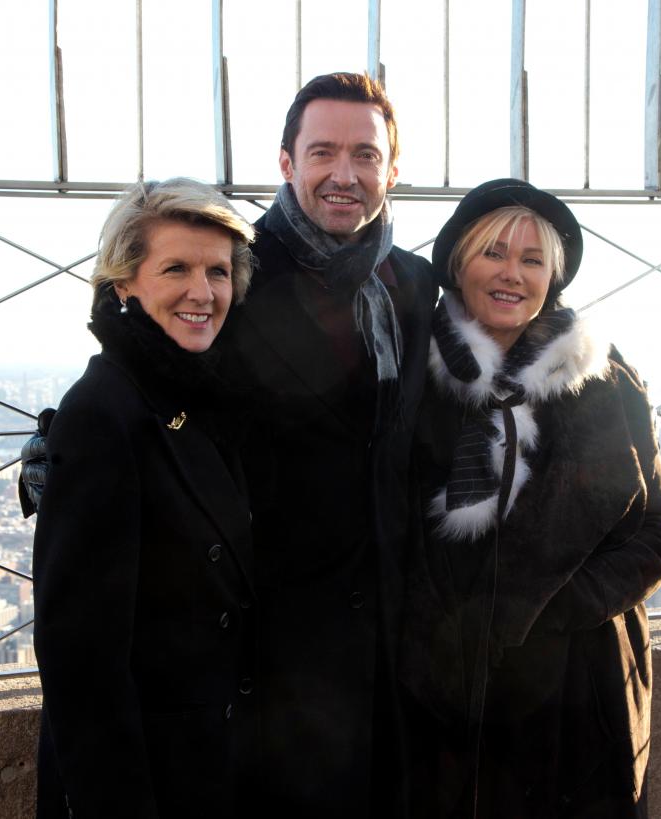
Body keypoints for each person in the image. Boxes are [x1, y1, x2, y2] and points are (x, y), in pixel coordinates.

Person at [399, 179, 661, 818]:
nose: (512, 274)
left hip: (581, 692)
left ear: (553, 277)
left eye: (533, 260)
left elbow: (658, 530)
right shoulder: (411, 377)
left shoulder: (602, 381)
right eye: (493, 253)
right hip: (445, 694)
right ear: (457, 263)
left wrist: (538, 611)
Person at [220, 72, 437, 816]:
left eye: (365, 155)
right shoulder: (232, 272)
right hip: (272, 659)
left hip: (387, 652)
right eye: (323, 152)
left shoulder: (413, 286)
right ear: (286, 162)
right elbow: (146, 368)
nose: (345, 175)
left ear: (392, 169)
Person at [31, 178, 258, 818]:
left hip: (206, 762)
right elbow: (82, 657)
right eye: (176, 268)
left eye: (218, 271)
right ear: (124, 283)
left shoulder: (194, 396)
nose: (202, 292)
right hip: (144, 780)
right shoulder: (104, 411)